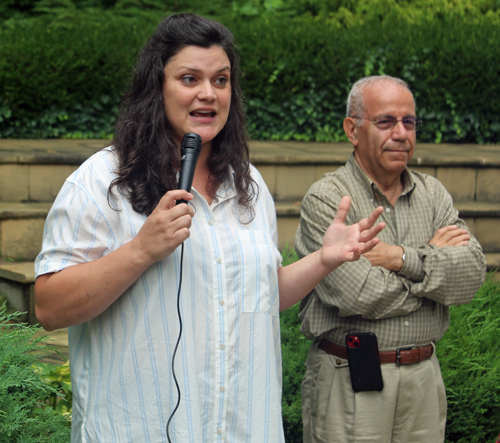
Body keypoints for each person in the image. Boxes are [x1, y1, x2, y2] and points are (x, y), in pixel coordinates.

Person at [34, 14, 385, 443]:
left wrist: (323, 260)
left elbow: (260, 296)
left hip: (244, 428)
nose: (208, 93)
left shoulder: (249, 186)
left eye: (221, 80)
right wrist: (141, 250)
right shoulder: (101, 182)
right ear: (156, 87)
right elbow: (50, 308)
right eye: (189, 78)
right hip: (137, 429)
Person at [295, 75, 487, 443]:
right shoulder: (328, 199)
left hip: (424, 382)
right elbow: (357, 295)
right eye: (386, 122)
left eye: (409, 122)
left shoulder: (434, 194)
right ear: (353, 130)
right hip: (349, 381)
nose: (401, 133)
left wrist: (400, 259)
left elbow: (470, 277)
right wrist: (433, 280)